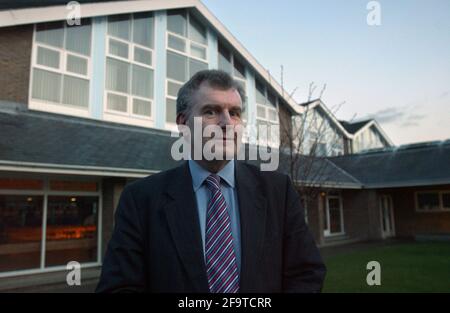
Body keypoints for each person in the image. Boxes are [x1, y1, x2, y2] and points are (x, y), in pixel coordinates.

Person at [96, 70, 326, 293]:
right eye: (211, 112)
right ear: (183, 123)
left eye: (235, 113)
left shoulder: (278, 192)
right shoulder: (141, 200)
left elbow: (307, 273)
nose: (227, 123)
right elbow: (119, 286)